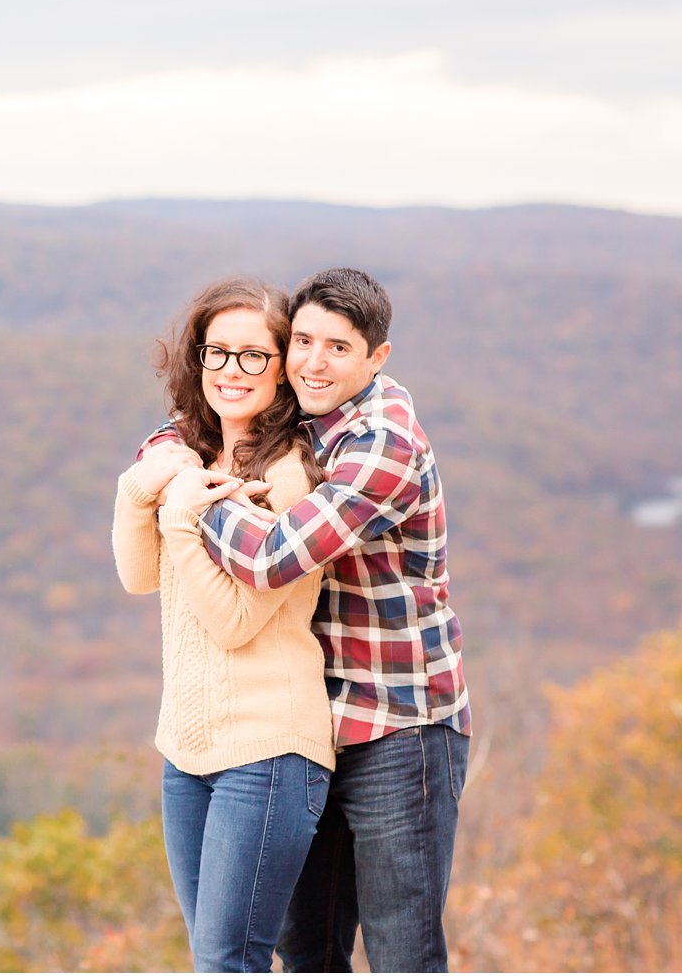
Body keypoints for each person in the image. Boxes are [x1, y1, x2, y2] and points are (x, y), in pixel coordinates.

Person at [143, 268, 472, 973]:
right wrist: (172, 455)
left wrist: (186, 493)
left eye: (339, 347)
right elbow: (198, 426)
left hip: (398, 722)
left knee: (401, 949)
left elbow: (267, 559)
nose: (314, 361)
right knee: (307, 949)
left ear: (376, 358)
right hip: (312, 723)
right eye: (304, 341)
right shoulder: (306, 418)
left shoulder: (382, 444)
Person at [112, 276, 335, 973]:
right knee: (214, 958)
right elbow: (137, 575)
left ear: (283, 368)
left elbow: (237, 621)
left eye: (253, 356)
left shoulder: (290, 476)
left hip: (268, 750)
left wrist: (180, 519)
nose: (232, 372)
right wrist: (138, 487)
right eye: (217, 353)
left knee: (229, 960)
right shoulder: (188, 457)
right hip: (186, 750)